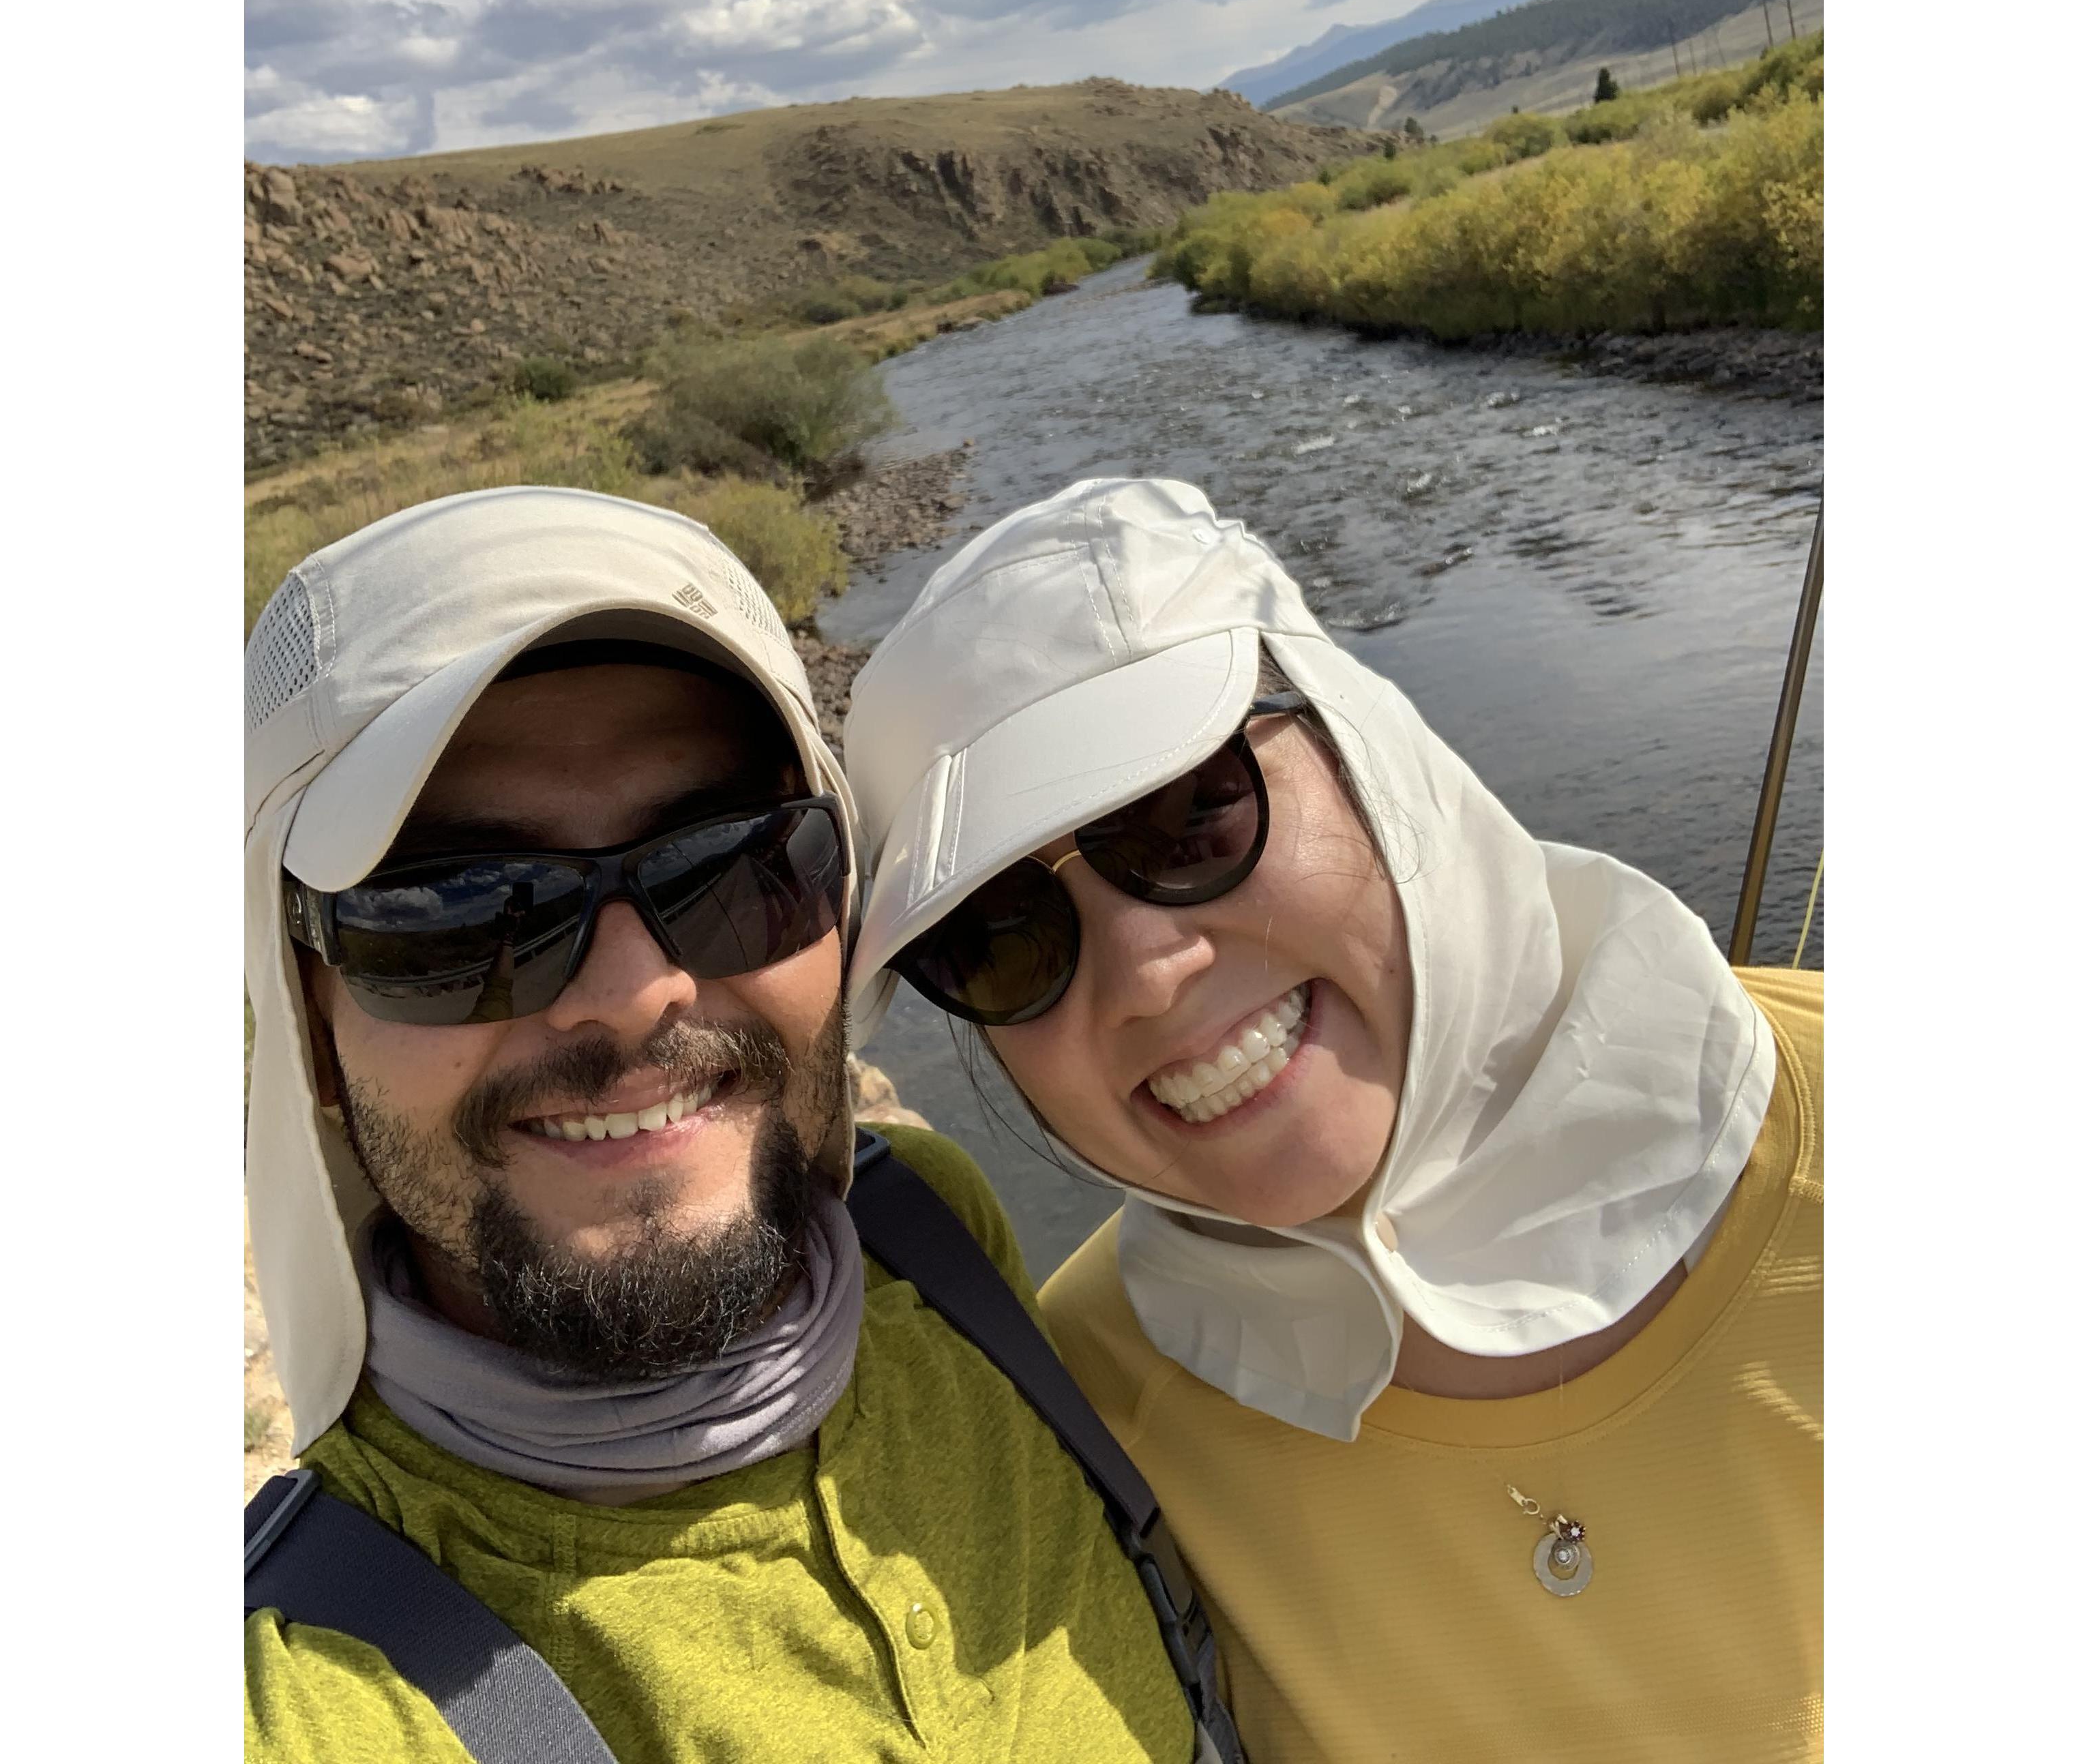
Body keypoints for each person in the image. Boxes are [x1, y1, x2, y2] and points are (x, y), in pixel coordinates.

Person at [243, 485, 1235, 1764]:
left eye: (731, 867)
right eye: (460, 917)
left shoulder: (930, 1243)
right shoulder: (300, 1698)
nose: (632, 993)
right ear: (310, 1020)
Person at [845, 476, 1822, 1764]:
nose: (1144, 972)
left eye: (1190, 812)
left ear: (1370, 749)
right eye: (996, 941)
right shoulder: (1093, 1416)